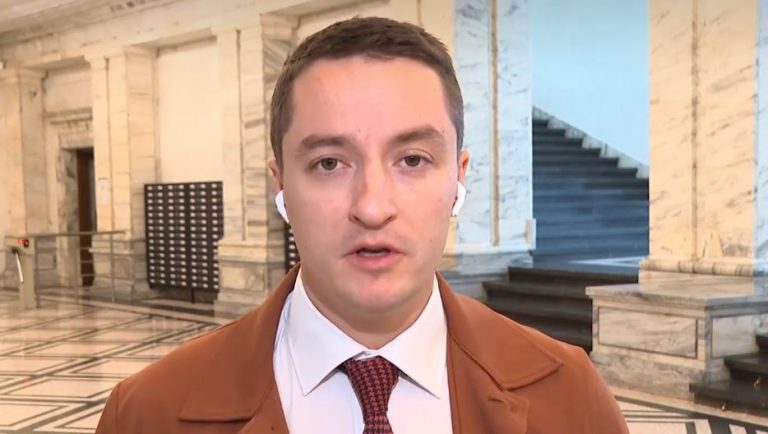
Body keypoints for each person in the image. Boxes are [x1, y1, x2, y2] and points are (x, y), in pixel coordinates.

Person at [96, 16, 629, 434]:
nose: (372, 207)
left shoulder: (570, 394)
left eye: (413, 160)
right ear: (280, 185)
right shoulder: (146, 414)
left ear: (458, 179)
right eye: (329, 163)